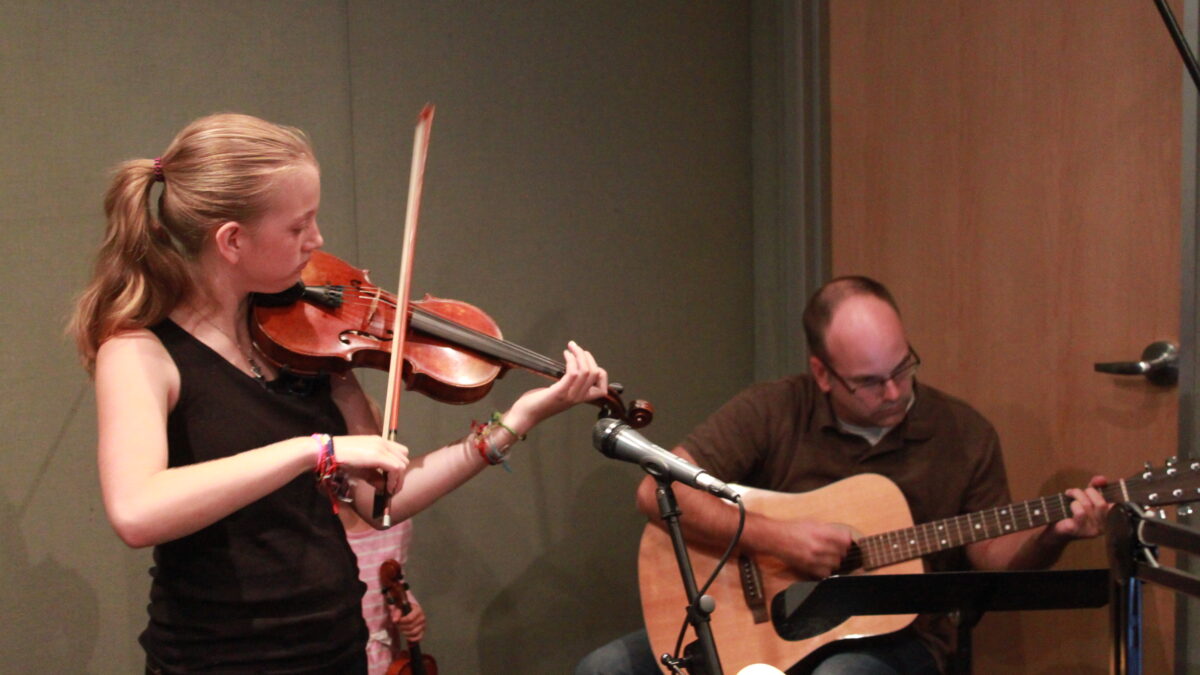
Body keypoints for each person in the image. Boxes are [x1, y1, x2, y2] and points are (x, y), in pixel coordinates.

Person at [69, 112, 610, 674]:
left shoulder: (303, 342)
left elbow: (380, 503)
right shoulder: (140, 353)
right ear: (232, 240)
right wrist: (313, 449)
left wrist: (516, 422)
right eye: (298, 227)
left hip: (335, 649)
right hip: (220, 661)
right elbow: (137, 511)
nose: (318, 241)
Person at [576, 276, 1109, 675]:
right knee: (603, 670)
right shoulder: (772, 410)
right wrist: (783, 540)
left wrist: (1053, 534)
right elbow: (655, 490)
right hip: (762, 629)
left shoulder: (964, 433)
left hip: (901, 637)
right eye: (870, 383)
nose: (896, 393)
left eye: (903, 368)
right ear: (822, 374)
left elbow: (992, 562)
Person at [340, 509, 425, 675]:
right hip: (337, 658)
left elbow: (395, 580)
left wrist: (409, 609)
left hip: (383, 661)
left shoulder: (396, 523)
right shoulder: (318, 530)